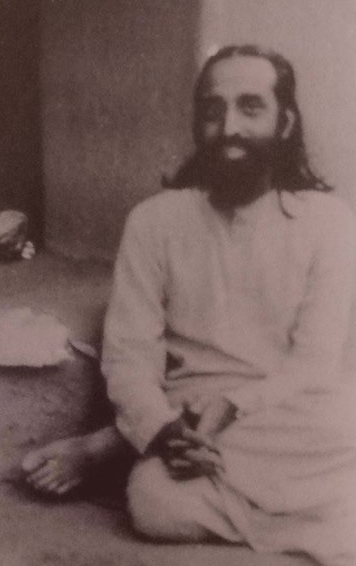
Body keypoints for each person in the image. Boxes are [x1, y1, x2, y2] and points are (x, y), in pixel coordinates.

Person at [20, 45, 356, 565]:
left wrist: (237, 409)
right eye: (213, 110)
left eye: (250, 107)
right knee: (154, 503)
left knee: (344, 422)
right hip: (190, 417)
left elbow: (313, 365)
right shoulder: (155, 221)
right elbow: (130, 353)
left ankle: (115, 447)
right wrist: (161, 428)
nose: (229, 127)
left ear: (285, 122)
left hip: (285, 413)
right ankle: (304, 512)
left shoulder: (329, 223)